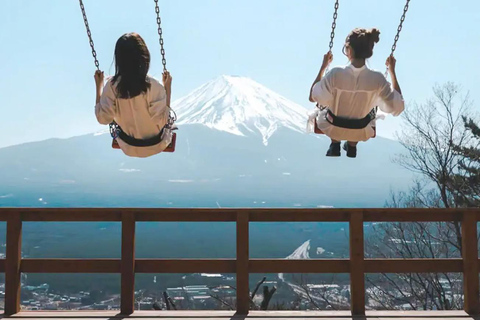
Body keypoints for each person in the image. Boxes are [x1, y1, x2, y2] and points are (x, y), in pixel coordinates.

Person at [307, 28, 404, 158]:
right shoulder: (378, 79)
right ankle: (352, 145)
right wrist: (392, 72)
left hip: (332, 128)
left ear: (349, 50)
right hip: (361, 131)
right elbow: (397, 107)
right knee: (368, 111)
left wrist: (323, 67)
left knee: (326, 106)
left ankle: (335, 144)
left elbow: (312, 98)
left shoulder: (335, 74)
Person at [94, 32, 173, 158]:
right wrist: (167, 90)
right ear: (144, 57)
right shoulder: (154, 86)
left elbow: (103, 119)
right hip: (157, 144)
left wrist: (99, 87)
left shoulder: (111, 86)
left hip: (128, 146)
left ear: (119, 59)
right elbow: (162, 120)